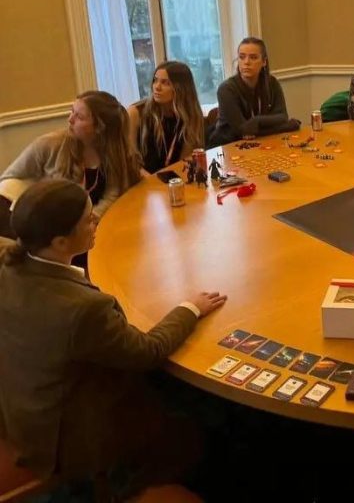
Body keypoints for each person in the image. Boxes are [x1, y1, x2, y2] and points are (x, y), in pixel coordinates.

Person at [0, 179, 227, 499]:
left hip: (20, 413)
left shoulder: (9, 264)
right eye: (88, 220)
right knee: (198, 425)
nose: (96, 220)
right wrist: (191, 308)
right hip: (68, 441)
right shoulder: (85, 309)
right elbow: (148, 352)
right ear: (61, 242)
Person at [0, 91, 141, 238]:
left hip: (95, 228)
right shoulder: (49, 144)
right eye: (72, 111)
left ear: (99, 127)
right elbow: (10, 177)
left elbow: (113, 193)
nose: (70, 119)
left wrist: (91, 219)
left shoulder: (115, 152)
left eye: (79, 117)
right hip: (54, 229)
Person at [207, 37, 299, 146]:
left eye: (253, 57)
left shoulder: (272, 83)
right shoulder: (226, 89)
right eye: (242, 57)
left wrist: (257, 121)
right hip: (226, 145)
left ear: (264, 62)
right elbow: (243, 130)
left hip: (259, 143)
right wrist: (285, 127)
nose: (246, 62)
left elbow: (282, 117)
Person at [128, 61, 204, 174]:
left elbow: (185, 161)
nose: (157, 87)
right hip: (141, 179)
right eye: (155, 80)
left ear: (181, 88)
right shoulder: (136, 112)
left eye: (165, 83)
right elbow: (129, 158)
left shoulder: (191, 116)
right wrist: (151, 180)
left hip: (172, 178)